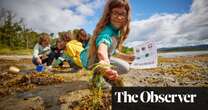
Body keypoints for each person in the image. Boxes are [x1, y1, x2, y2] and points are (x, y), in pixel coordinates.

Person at [80, 0, 134, 85]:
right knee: (111, 42)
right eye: (115, 13)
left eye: (122, 14)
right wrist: (105, 64)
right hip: (89, 58)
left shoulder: (117, 32)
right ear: (109, 14)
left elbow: (113, 51)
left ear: (126, 16)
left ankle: (104, 74)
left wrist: (128, 57)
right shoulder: (106, 30)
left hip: (103, 58)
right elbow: (102, 48)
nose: (119, 17)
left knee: (125, 67)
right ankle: (96, 77)